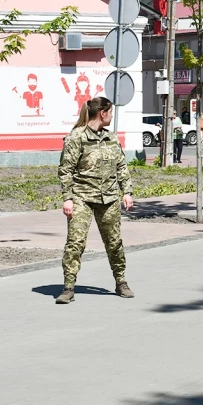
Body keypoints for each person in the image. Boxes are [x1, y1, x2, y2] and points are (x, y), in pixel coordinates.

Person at [56, 97, 135, 304]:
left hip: (108, 198)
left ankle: (121, 281)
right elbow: (66, 170)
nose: (111, 116)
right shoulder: (76, 137)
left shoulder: (111, 138)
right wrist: (68, 198)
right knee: (75, 243)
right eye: (110, 112)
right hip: (82, 197)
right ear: (103, 113)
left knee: (114, 242)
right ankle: (68, 287)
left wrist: (127, 192)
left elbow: (121, 167)